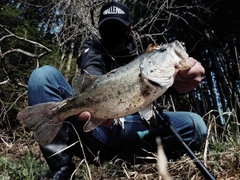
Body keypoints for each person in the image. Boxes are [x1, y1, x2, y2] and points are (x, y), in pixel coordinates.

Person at [27, 2, 207, 179]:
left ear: (130, 30)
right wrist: (100, 106)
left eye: (118, 29)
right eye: (108, 30)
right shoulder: (93, 49)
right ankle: (63, 171)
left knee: (195, 125)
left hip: (136, 130)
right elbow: (92, 75)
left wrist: (183, 79)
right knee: (43, 76)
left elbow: (161, 83)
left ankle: (127, 159)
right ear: (100, 32)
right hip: (98, 130)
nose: (113, 34)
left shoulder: (147, 55)